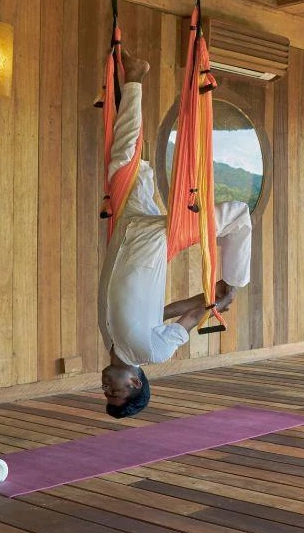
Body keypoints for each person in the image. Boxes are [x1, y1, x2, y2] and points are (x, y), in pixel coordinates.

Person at [99, 52, 253, 419]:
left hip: (124, 230)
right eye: (115, 394)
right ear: (135, 384)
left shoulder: (111, 339)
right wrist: (215, 299)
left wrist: (200, 300)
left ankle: (134, 79)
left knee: (123, 165)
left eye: (105, 395)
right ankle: (234, 279)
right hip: (152, 244)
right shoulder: (153, 353)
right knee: (237, 215)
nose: (106, 389)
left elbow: (157, 313)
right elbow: (186, 321)